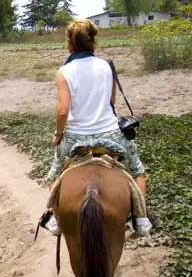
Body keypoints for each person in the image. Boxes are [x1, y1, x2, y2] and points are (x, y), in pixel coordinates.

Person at [40, 18, 152, 237]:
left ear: (69, 43)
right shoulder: (107, 67)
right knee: (137, 171)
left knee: (53, 176)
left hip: (75, 138)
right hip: (110, 133)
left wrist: (59, 134)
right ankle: (141, 219)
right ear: (93, 41)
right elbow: (112, 102)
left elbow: (63, 110)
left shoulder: (64, 71)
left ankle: (55, 219)